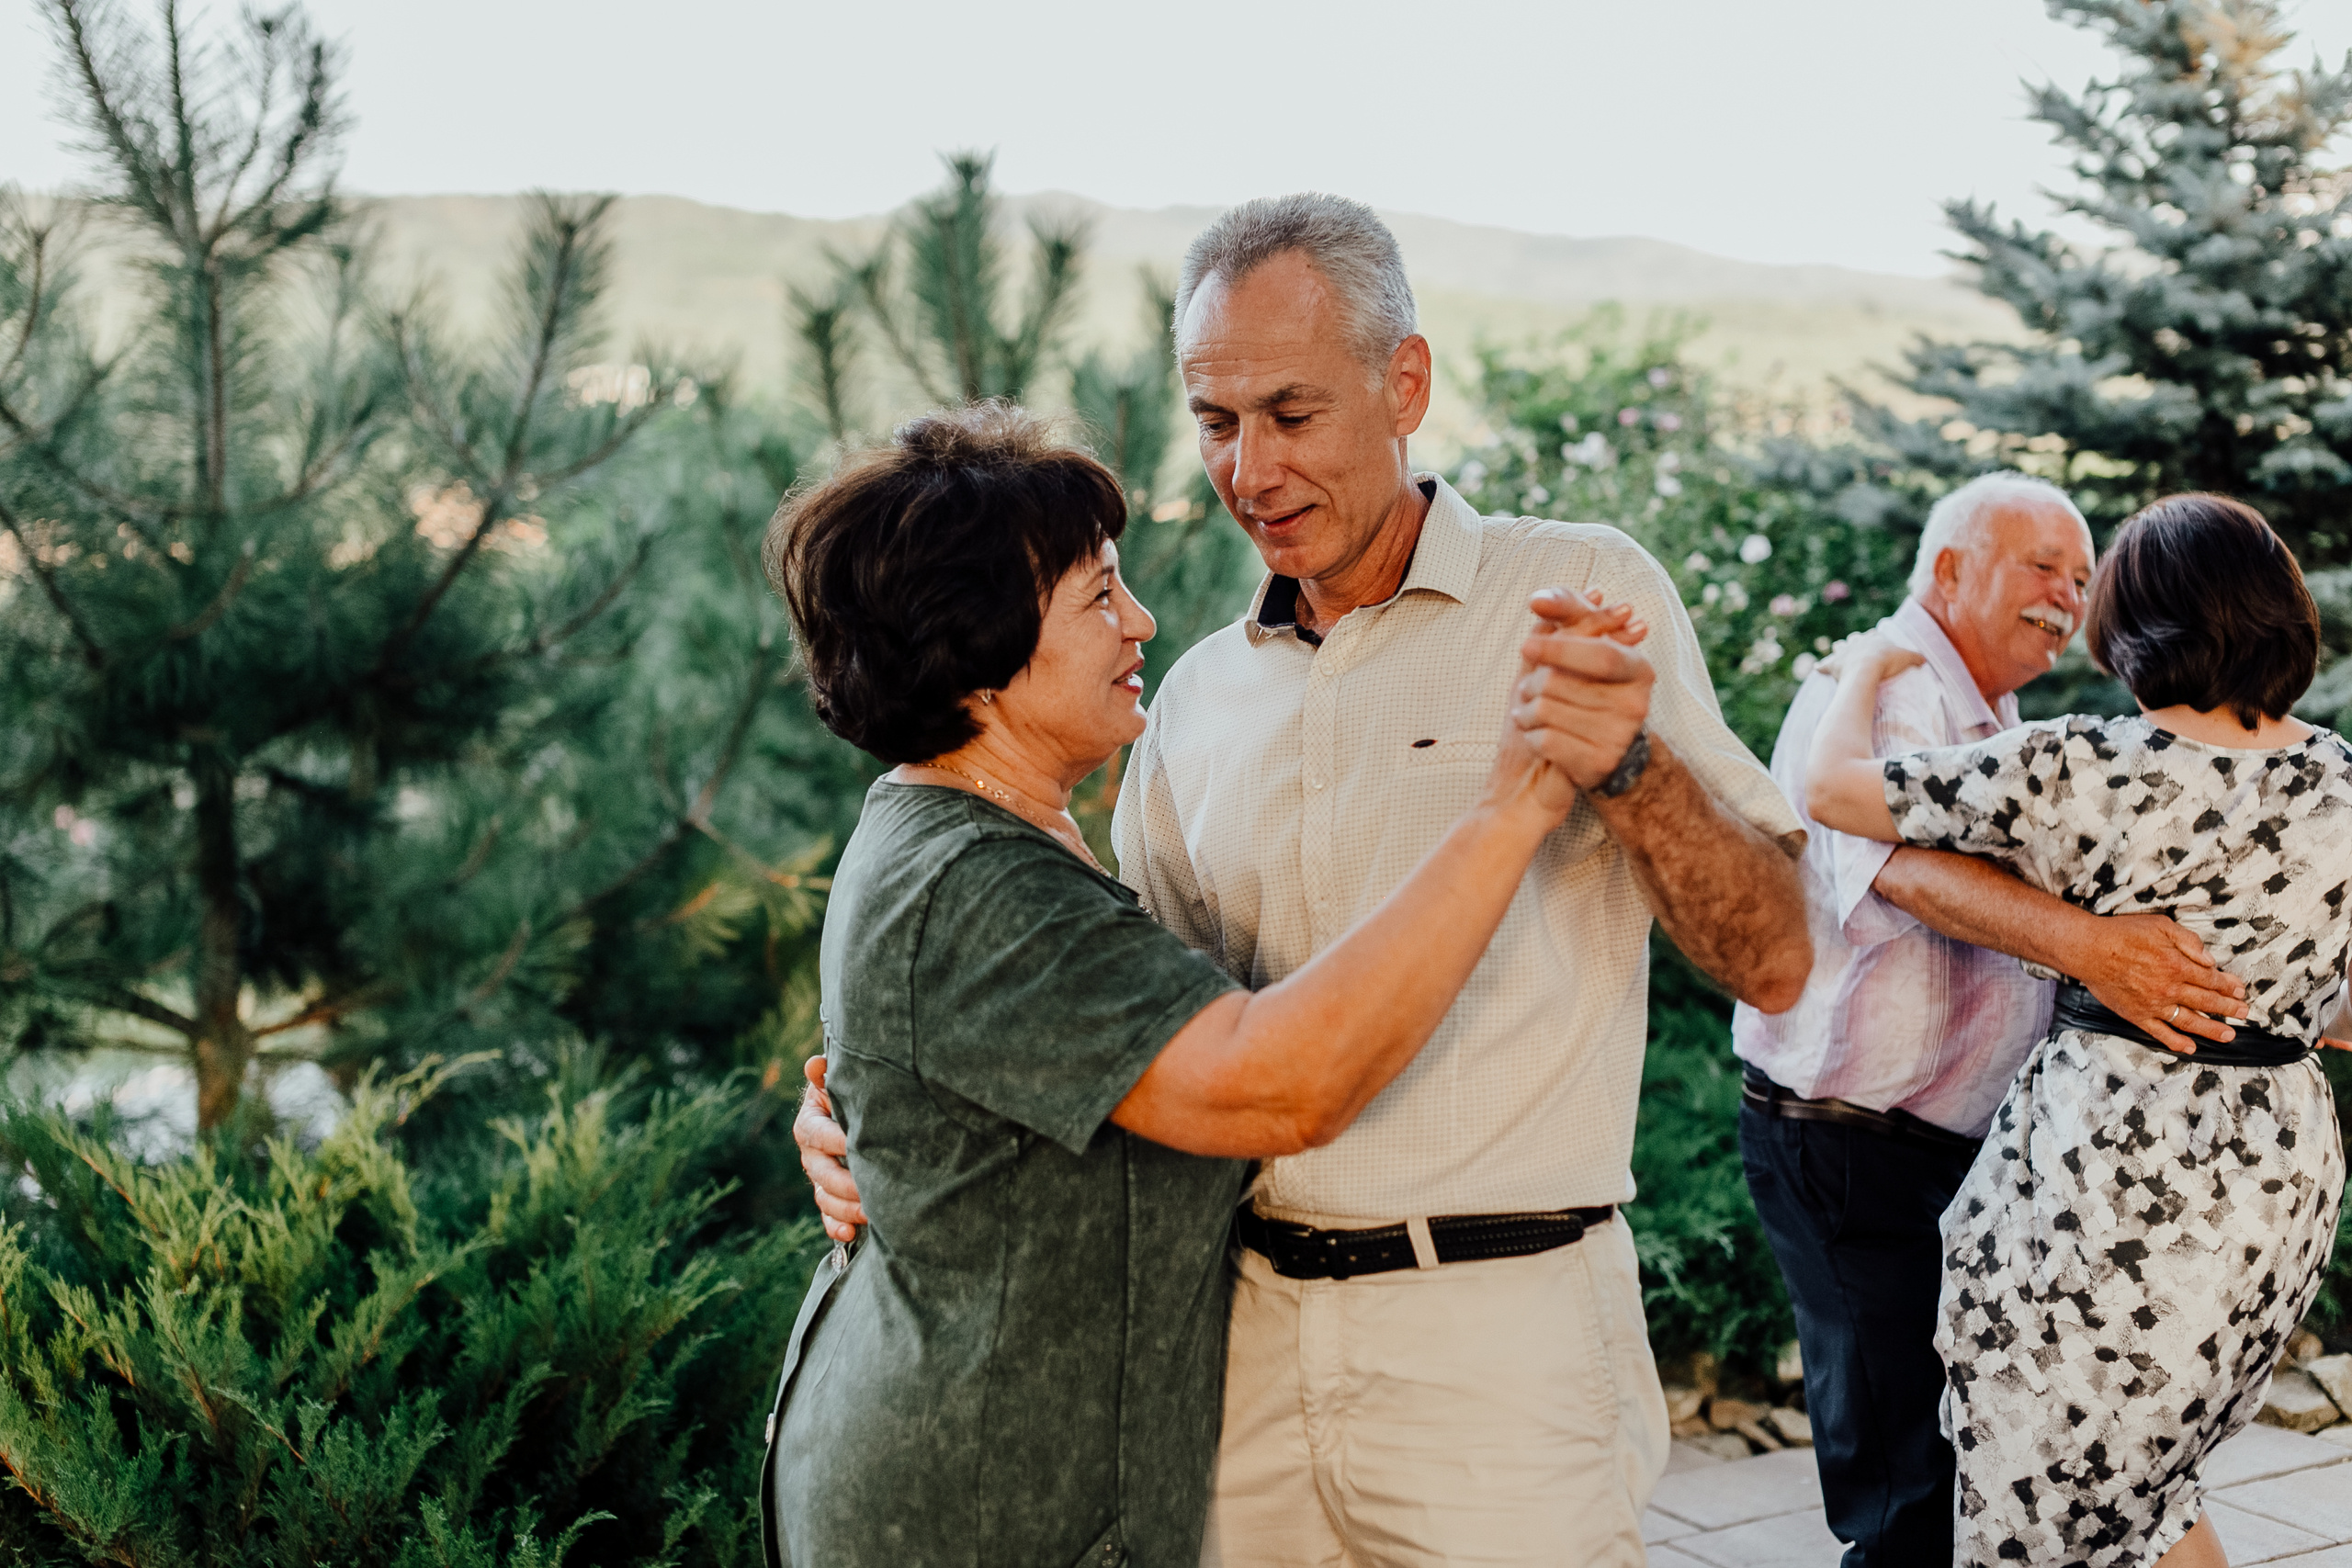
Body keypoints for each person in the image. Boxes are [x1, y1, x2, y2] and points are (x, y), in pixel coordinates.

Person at [801, 193, 1815, 1565]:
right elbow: (1119, 1018)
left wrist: (1630, 769)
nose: (1250, 467)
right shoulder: (1189, 701)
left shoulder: (1577, 592)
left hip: (1499, 1344)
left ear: (1406, 385)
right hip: (1234, 1349)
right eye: (1215, 421)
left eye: (1290, 412)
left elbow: (1776, 961)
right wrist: (879, 1111)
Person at [756, 403, 1597, 1568]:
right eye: (1099, 596)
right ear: (980, 655)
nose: (1141, 621)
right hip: (974, 1506)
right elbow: (1281, 1085)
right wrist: (1514, 806)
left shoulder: (973, 834)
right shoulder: (974, 883)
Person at [1804, 493, 2352, 1568]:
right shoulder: (2339, 778)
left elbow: (1832, 793)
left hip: (2105, 1172)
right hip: (2276, 1181)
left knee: (2042, 1491)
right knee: (2149, 1486)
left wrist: (1858, 671)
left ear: (2132, 625)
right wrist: (2275, 999)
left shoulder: (2083, 766)